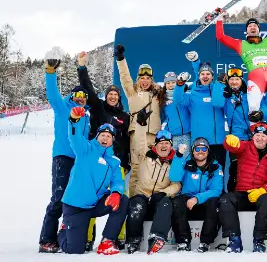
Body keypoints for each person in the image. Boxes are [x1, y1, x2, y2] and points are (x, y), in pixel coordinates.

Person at [76, 51, 130, 251]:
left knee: (119, 198)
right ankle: (88, 237)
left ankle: (117, 237)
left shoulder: (125, 116)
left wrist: (127, 160)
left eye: (116, 95)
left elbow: (127, 141)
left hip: (117, 163)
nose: (113, 97)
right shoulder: (98, 108)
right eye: (110, 94)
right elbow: (88, 89)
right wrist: (82, 67)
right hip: (95, 162)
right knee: (92, 198)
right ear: (106, 97)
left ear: (119, 98)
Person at [57, 107, 128, 255]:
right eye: (102, 135)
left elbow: (118, 181)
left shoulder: (114, 161)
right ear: (97, 136)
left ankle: (107, 241)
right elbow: (74, 137)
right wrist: (74, 120)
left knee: (123, 200)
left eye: (109, 136)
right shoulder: (85, 149)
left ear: (112, 140)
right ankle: (64, 230)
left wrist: (116, 192)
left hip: (95, 204)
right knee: (75, 250)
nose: (105, 138)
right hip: (76, 206)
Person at [216, 16, 267, 143]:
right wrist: (219, 19)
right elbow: (221, 36)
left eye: (255, 25)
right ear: (246, 30)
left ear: (259, 29)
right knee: (253, 106)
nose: (252, 27)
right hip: (256, 77)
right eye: (249, 26)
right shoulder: (241, 44)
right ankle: (256, 139)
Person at [39, 58, 91, 253]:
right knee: (59, 197)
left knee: (73, 198)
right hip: (62, 157)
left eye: (83, 96)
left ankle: (66, 232)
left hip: (78, 162)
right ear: (72, 95)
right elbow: (52, 95)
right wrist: (50, 72)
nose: (80, 98)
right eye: (77, 94)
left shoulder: (86, 116)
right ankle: (46, 239)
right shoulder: (63, 108)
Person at [219, 122, 267, 253]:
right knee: (226, 199)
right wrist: (229, 140)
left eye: (263, 136)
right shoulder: (245, 147)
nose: (260, 138)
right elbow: (231, 146)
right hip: (242, 193)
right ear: (253, 137)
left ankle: (259, 240)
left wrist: (263, 190)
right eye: (257, 135)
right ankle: (234, 240)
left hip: (260, 194)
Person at [211, 67, 267, 191]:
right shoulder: (225, 95)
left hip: (255, 135)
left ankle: (259, 192)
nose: (234, 82)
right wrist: (219, 83)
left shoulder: (250, 93)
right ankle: (233, 195)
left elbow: (265, 106)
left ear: (242, 80)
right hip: (237, 137)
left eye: (237, 79)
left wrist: (261, 113)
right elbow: (217, 103)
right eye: (231, 79)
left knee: (257, 166)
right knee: (235, 167)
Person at [125, 119, 181, 254]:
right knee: (136, 205)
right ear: (155, 145)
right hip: (142, 194)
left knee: (166, 203)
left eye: (167, 143)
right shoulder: (146, 155)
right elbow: (139, 141)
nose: (163, 146)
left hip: (159, 196)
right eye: (160, 143)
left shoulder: (176, 162)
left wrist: (164, 193)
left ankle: (157, 237)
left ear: (171, 146)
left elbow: (177, 184)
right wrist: (141, 125)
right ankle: (133, 240)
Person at [114, 44, 161, 197]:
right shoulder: (132, 91)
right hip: (136, 135)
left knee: (153, 168)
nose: (145, 81)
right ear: (138, 79)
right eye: (142, 78)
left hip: (153, 135)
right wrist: (120, 59)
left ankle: (150, 201)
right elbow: (124, 77)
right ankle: (132, 201)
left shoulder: (158, 94)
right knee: (136, 168)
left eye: (148, 78)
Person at [169, 138, 223, 253]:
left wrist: (197, 198)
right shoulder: (186, 164)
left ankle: (205, 242)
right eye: (197, 149)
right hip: (187, 203)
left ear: (208, 151)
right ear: (193, 151)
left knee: (215, 201)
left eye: (204, 148)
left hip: (204, 203)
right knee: (177, 201)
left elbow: (216, 190)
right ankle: (183, 241)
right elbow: (174, 177)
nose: (200, 151)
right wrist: (179, 156)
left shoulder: (216, 167)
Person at [174, 61, 226, 169]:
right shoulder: (193, 94)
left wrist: (219, 85)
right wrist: (180, 84)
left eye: (208, 74)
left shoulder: (218, 90)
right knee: (200, 176)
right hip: (200, 144)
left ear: (212, 77)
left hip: (218, 142)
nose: (205, 76)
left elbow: (220, 103)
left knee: (218, 175)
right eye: (202, 74)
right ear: (199, 77)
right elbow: (178, 100)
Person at [158, 71, 191, 158]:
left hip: (187, 134)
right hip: (173, 136)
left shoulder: (185, 96)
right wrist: (166, 129)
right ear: (165, 85)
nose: (171, 85)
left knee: (186, 159)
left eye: (173, 82)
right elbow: (162, 118)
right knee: (174, 159)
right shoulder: (163, 100)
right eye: (168, 83)